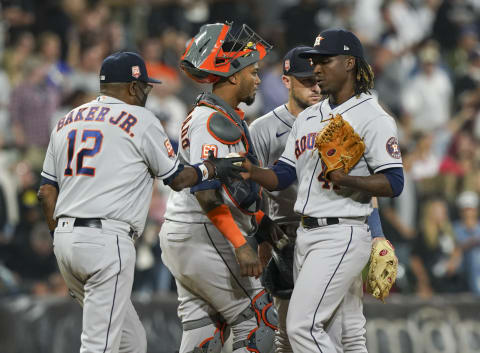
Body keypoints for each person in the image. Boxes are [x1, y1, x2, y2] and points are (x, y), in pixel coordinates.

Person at [37, 51, 242, 353]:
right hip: (106, 242)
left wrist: (59, 235)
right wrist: (211, 168)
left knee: (131, 342)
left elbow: (46, 191)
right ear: (133, 87)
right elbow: (176, 178)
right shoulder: (141, 118)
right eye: (145, 86)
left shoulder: (67, 120)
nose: (147, 92)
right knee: (99, 346)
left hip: (66, 242)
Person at [239, 29, 404, 352]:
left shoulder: (373, 116)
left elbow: (394, 182)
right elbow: (284, 175)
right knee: (333, 331)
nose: (316, 68)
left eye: (324, 61)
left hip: (342, 233)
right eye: (314, 62)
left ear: (349, 63)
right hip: (306, 235)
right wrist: (250, 171)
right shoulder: (310, 116)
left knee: (301, 328)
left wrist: (351, 180)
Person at [159, 23, 279, 353]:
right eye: (253, 72)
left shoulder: (217, 115)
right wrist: (240, 243)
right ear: (233, 75)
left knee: (204, 334)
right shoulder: (210, 121)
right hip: (203, 233)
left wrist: (259, 222)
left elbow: (233, 187)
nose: (258, 79)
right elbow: (205, 190)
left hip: (190, 235)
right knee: (259, 323)